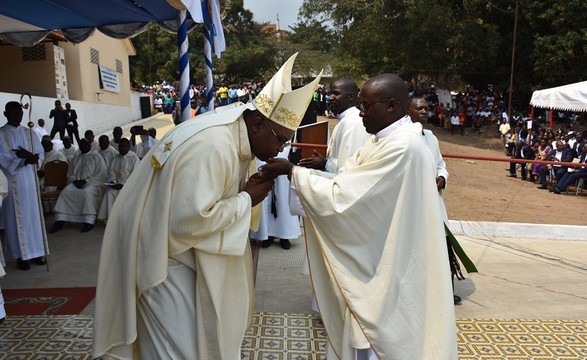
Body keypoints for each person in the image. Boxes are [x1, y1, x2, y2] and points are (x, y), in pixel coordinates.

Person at [92, 53, 322, 359]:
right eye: (280, 138)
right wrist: (246, 198)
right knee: (179, 347)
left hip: (175, 249)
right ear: (256, 124)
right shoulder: (214, 146)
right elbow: (187, 222)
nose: (280, 148)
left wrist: (244, 190)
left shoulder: (235, 131)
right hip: (161, 257)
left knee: (197, 338)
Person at [260, 74, 457, 359]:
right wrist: (309, 174)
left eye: (366, 106)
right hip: (375, 251)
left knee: (383, 339)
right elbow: (349, 179)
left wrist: (292, 173)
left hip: (390, 260)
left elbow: (348, 198)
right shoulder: (381, 140)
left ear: (391, 105)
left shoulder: (404, 146)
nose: (361, 112)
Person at [409, 97, 476, 305]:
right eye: (418, 108)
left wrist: (442, 177)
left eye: (425, 108)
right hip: (414, 208)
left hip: (435, 206)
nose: (423, 111)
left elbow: (441, 164)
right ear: (407, 111)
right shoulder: (401, 139)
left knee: (443, 250)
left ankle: (445, 292)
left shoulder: (430, 137)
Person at [0, 101, 48, 271]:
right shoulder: (1, 134)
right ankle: (22, 256)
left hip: (30, 182)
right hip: (13, 185)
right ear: (5, 114)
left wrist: (34, 158)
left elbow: (40, 153)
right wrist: (25, 159)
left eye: (19, 113)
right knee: (17, 219)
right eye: (12, 113)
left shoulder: (30, 133)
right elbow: (4, 159)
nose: (16, 116)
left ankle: (37, 253)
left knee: (33, 219)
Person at [298, 79, 369, 174]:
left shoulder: (354, 122)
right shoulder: (345, 119)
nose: (331, 97)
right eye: (331, 93)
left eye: (336, 94)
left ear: (351, 97)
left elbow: (350, 168)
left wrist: (326, 163)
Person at [50, 138, 108, 233]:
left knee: (86, 193)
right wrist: (75, 181)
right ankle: (60, 221)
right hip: (76, 183)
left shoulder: (97, 157)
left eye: (85, 145)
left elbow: (101, 174)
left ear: (89, 146)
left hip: (92, 183)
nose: (83, 147)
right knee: (65, 192)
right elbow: (69, 174)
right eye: (81, 145)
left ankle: (88, 222)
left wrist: (85, 181)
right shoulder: (75, 159)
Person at [249, 144, 301, 250]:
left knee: (282, 201)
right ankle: (267, 235)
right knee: (264, 200)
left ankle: (284, 236)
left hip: (281, 160)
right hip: (262, 160)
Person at [97, 138, 140, 221]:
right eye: (121, 147)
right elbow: (111, 173)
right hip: (116, 185)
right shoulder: (115, 158)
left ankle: (125, 219)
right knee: (109, 193)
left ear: (128, 147)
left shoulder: (134, 159)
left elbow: (135, 175)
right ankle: (111, 219)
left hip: (129, 186)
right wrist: (113, 182)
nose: (123, 148)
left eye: (125, 146)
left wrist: (123, 184)